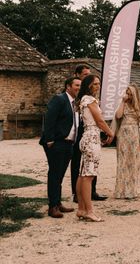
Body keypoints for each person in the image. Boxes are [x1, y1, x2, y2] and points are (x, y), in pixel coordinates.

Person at [40, 76, 81, 218]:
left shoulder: (74, 102)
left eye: (80, 85)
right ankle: (52, 207)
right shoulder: (60, 99)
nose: (79, 88)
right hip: (57, 143)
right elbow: (49, 118)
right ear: (68, 86)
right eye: (76, 85)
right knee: (55, 174)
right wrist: (50, 139)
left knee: (60, 175)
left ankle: (58, 203)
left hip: (69, 143)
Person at [75, 74, 115, 222]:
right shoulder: (90, 100)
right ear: (89, 85)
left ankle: (81, 209)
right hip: (91, 138)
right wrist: (110, 133)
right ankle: (89, 211)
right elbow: (99, 120)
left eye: (99, 84)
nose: (98, 86)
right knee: (88, 176)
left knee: (83, 174)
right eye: (95, 84)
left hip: (87, 137)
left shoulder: (84, 100)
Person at [70, 65, 106, 203]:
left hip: (90, 131)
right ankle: (77, 194)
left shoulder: (91, 97)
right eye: (85, 75)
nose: (88, 77)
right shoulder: (80, 95)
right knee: (78, 164)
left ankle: (92, 191)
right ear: (77, 75)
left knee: (90, 164)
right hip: (80, 132)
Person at [111, 84, 140, 199]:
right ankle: (120, 191)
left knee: (133, 162)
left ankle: (131, 190)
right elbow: (118, 116)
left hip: (135, 135)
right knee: (122, 162)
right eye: (126, 92)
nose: (127, 95)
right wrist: (122, 101)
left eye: (130, 93)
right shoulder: (123, 103)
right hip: (123, 133)